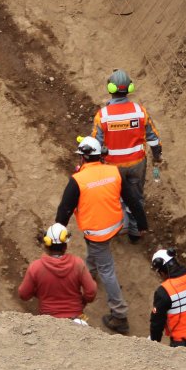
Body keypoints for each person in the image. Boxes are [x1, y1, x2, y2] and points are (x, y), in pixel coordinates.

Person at [55, 136, 148, 335]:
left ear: (83, 158)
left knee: (107, 270)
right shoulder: (113, 172)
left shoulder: (78, 180)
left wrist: (58, 233)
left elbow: (64, 210)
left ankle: (120, 314)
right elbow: (132, 200)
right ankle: (90, 270)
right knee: (98, 253)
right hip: (114, 225)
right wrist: (142, 223)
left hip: (96, 232)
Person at [90, 69, 162, 243]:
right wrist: (157, 157)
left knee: (114, 196)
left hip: (113, 166)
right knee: (135, 196)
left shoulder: (103, 115)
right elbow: (153, 139)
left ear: (110, 88)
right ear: (129, 88)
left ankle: (120, 225)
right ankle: (135, 231)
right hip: (137, 164)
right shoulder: (140, 111)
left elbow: (95, 145)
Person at [17, 223, 97, 322]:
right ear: (65, 246)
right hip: (77, 318)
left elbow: (23, 294)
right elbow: (91, 291)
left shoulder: (36, 267)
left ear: (47, 245)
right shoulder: (78, 264)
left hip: (49, 322)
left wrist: (38, 293)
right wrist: (82, 302)